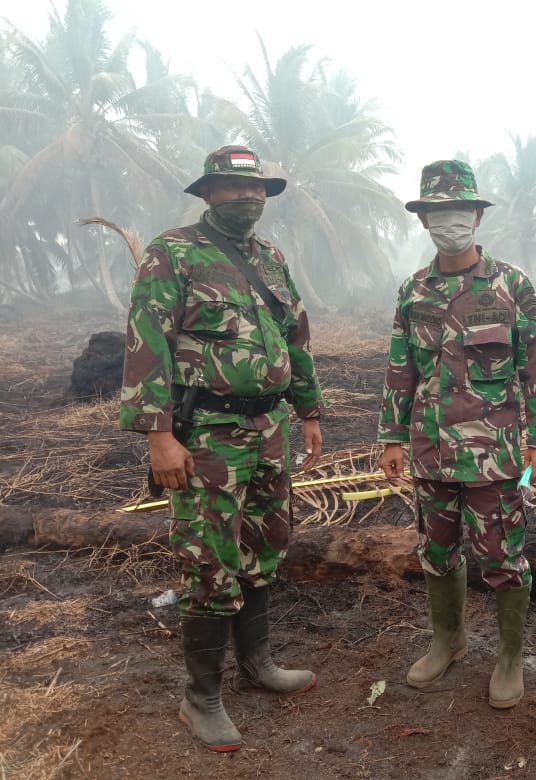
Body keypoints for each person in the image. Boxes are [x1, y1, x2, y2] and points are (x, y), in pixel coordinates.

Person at [120, 145, 325, 752]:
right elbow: (146, 339)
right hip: (205, 434)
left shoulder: (271, 257)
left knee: (266, 545)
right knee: (209, 560)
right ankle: (201, 697)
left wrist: (309, 412)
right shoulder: (173, 252)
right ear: (208, 192)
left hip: (268, 430)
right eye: (234, 186)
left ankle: (257, 665)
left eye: (256, 187)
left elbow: (298, 338)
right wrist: (159, 435)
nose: (248, 196)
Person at [377, 159, 536, 709]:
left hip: (495, 456)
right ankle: (448, 641)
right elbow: (400, 367)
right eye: (437, 212)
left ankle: (509, 657)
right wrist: (391, 437)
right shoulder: (414, 291)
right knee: (436, 551)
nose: (448, 221)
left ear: (476, 217)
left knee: (503, 557)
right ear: (424, 219)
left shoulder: (511, 286)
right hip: (431, 452)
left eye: (458, 211)